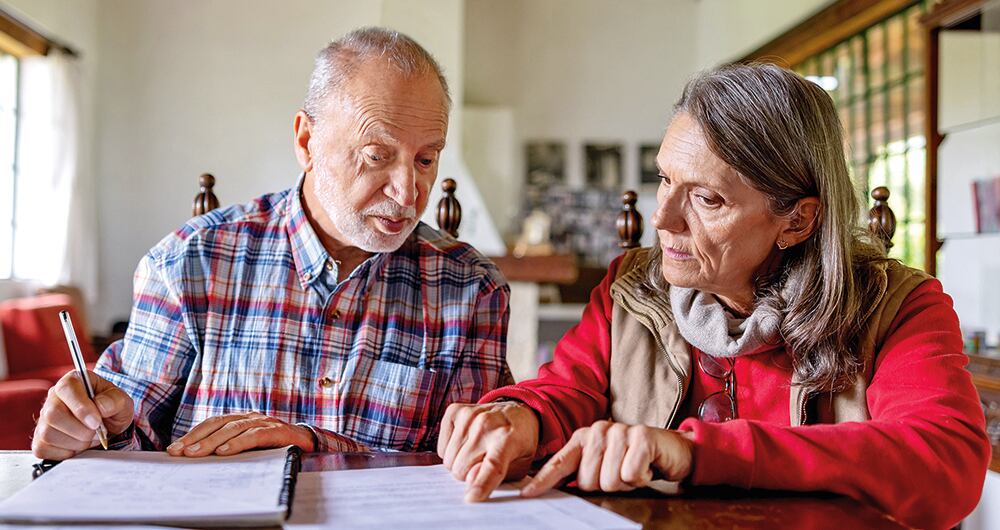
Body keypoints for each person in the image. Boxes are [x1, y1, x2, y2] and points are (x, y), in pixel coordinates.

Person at [438, 63, 990, 529]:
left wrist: (698, 452)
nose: (662, 218)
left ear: (798, 221)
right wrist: (520, 417)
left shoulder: (896, 307)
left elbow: (945, 462)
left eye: (706, 199)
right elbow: (565, 391)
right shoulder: (630, 289)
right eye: (664, 179)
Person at [32, 27, 510, 459]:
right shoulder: (188, 264)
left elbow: (469, 466)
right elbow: (129, 441)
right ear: (306, 142)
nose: (408, 193)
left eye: (426, 160)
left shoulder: (471, 289)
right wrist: (90, 429)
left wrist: (312, 443)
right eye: (376, 155)